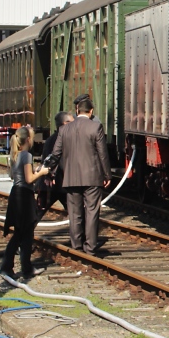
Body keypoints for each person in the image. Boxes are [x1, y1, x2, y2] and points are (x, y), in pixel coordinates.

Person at [49, 97, 111, 255]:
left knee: (74, 212)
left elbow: (55, 154)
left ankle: (76, 246)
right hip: (92, 177)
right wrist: (107, 174)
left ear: (77, 111)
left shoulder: (64, 130)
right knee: (91, 211)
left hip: (71, 177)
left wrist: (50, 172)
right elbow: (102, 154)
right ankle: (90, 248)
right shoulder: (96, 127)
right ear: (91, 112)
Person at [1, 125, 50, 279]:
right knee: (25, 233)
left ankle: (11, 266)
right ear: (28, 139)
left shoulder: (14, 154)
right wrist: (41, 172)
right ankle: (21, 268)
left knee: (20, 233)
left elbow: (14, 176)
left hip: (15, 193)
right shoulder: (26, 155)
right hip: (24, 196)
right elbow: (29, 179)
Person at [36, 111, 73, 217]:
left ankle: (24, 233)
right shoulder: (64, 139)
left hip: (49, 185)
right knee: (77, 217)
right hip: (61, 184)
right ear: (66, 124)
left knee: (37, 213)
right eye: (72, 122)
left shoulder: (50, 139)